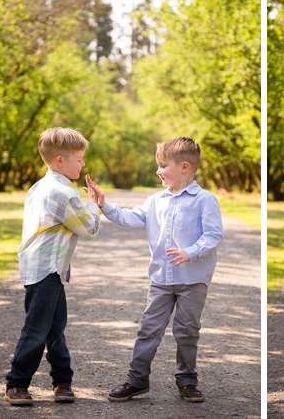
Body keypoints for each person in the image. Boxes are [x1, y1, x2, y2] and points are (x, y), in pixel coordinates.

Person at [86, 137, 223, 403]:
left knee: (186, 330)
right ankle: (137, 380)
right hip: (161, 278)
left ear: (185, 167)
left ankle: (187, 380)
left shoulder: (205, 200)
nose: (158, 170)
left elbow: (214, 236)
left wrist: (190, 252)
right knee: (149, 328)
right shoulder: (155, 201)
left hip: (193, 279)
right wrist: (104, 205)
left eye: (163, 165)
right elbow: (127, 218)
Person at [5, 127, 102, 406]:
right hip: (46, 270)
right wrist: (95, 205)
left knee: (55, 328)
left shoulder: (39, 186)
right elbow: (89, 230)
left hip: (47, 269)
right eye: (80, 158)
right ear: (60, 161)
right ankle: (17, 383)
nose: (83, 164)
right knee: (37, 329)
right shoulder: (64, 193)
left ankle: (62, 381)